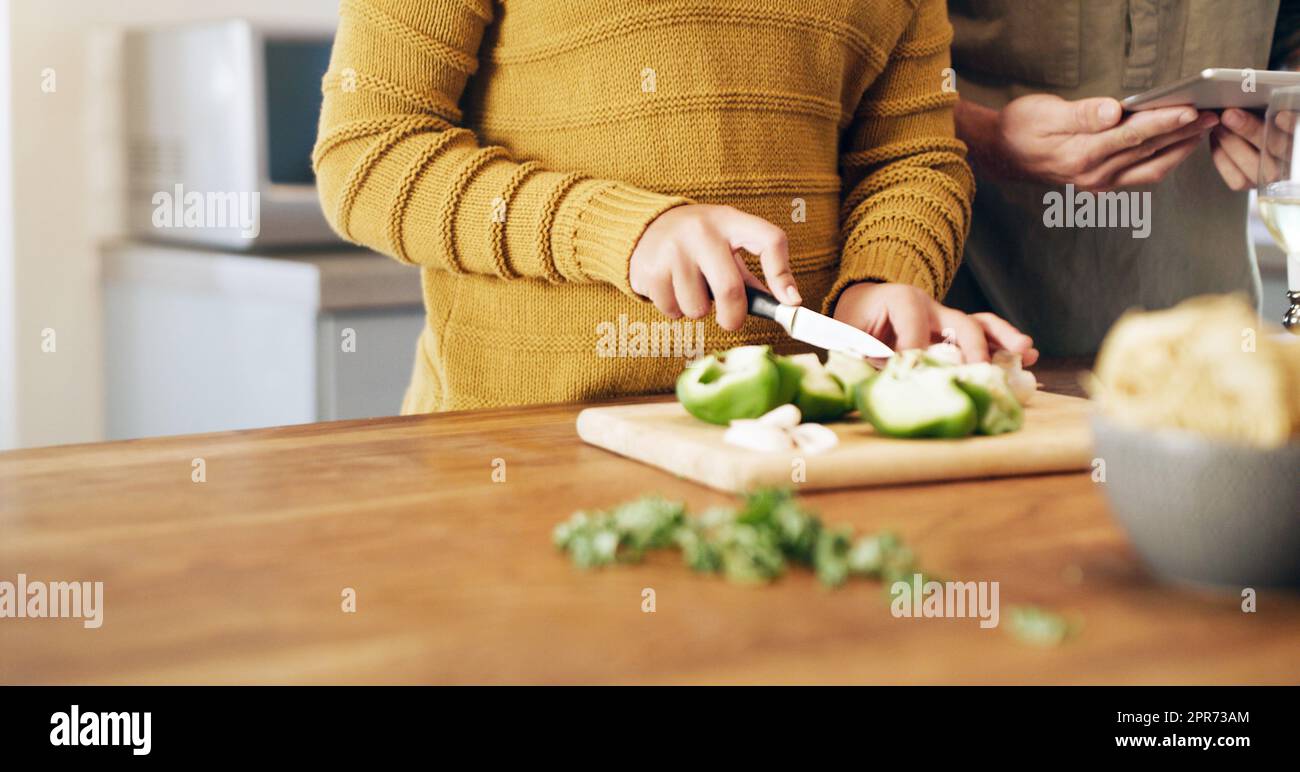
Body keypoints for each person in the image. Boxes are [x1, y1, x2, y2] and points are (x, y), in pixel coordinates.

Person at [313, 0, 1035, 414]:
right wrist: (621, 231)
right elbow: (368, 154)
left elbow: (910, 157)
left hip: (794, 444)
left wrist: (879, 279)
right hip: (510, 448)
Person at [946, 0, 1296, 355]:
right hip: (980, 345)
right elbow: (897, 65)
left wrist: (1292, 127)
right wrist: (984, 139)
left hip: (1217, 347)